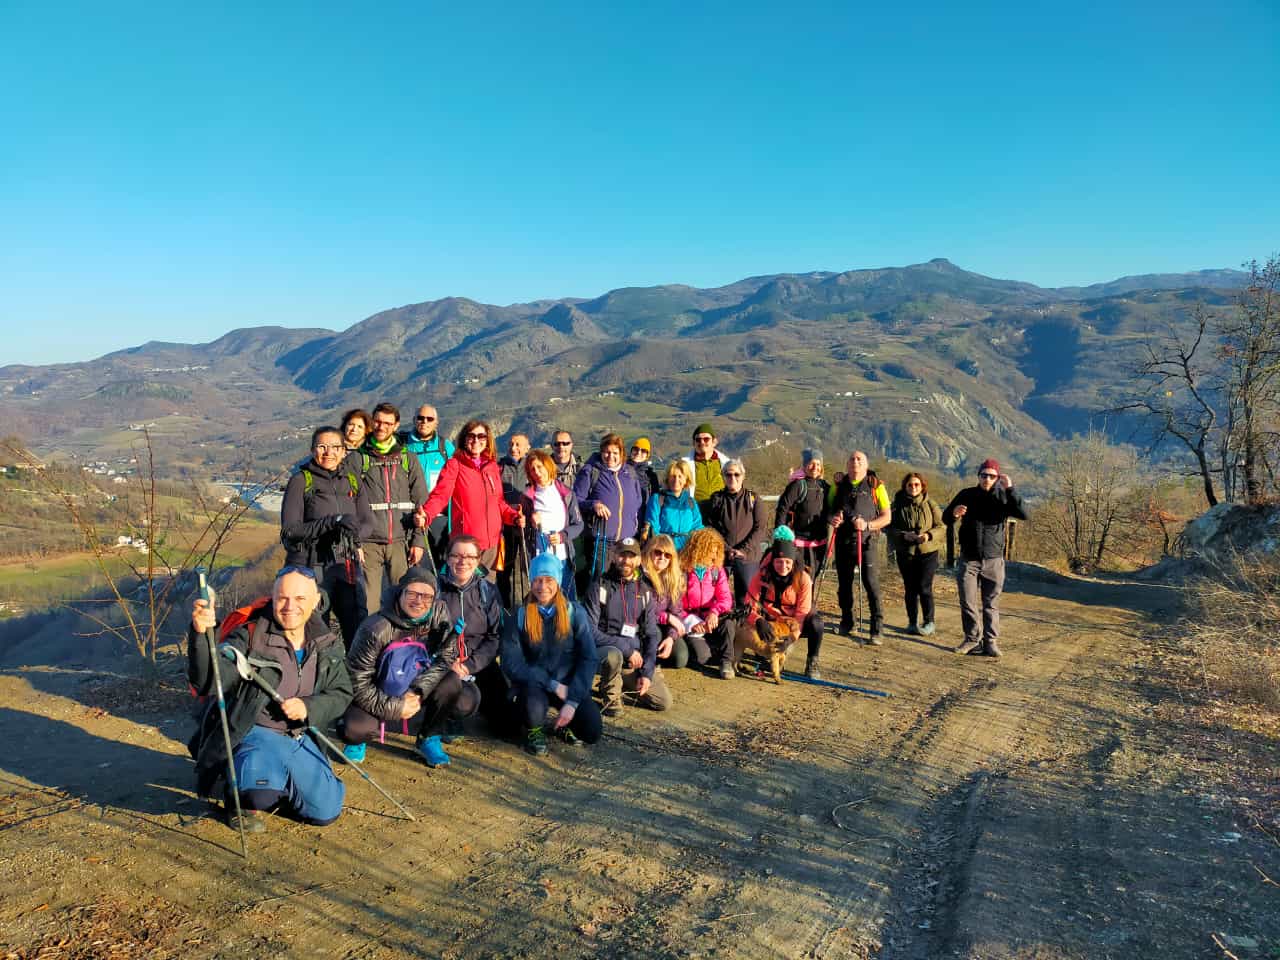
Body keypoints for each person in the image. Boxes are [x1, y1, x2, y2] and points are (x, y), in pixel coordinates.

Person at [187, 567, 353, 832]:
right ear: (273, 598)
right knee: (258, 791)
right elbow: (209, 681)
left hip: (300, 735)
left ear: (315, 601)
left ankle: (278, 785)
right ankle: (239, 797)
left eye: (299, 599)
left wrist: (308, 707)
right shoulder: (250, 636)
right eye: (282, 598)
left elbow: (343, 692)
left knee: (325, 813)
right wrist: (201, 635)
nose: (290, 606)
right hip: (255, 732)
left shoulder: (325, 641)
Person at [339, 569, 480, 768]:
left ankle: (428, 737)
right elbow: (357, 681)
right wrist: (396, 707)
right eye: (412, 593)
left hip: (417, 682)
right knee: (353, 729)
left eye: (427, 596)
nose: (419, 601)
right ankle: (361, 738)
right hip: (378, 689)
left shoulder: (439, 614)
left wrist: (418, 691)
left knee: (454, 685)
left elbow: (445, 658)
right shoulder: (375, 628)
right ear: (400, 592)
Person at [279, 426, 374, 646]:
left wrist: (355, 534)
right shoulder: (301, 481)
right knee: (313, 629)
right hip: (310, 566)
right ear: (313, 450)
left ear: (344, 452)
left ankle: (353, 678)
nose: (328, 452)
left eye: (335, 447)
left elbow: (368, 522)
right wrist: (333, 521)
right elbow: (290, 531)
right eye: (322, 446)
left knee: (356, 628)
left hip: (345, 564)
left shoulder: (352, 480)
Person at [500, 553, 602, 756]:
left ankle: (564, 725)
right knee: (531, 709)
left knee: (591, 731)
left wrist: (573, 701)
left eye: (549, 580)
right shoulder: (519, 615)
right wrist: (551, 684)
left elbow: (589, 658)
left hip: (567, 686)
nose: (542, 586)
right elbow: (511, 663)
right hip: (534, 684)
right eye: (537, 580)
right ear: (530, 582)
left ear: (558, 581)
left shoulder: (575, 613)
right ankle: (534, 730)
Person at [417, 420, 525, 578]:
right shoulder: (454, 465)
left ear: (487, 440)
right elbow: (440, 496)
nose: (476, 440)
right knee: (466, 591)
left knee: (487, 592)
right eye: (471, 436)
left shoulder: (492, 467)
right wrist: (426, 514)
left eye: (481, 436)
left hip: (491, 546)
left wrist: (513, 517)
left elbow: (499, 502)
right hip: (465, 546)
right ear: (463, 439)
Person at [943, 459, 1027, 658]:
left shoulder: (1004, 498)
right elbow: (946, 518)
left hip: (994, 560)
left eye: (992, 476)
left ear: (997, 478)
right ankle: (972, 639)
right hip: (968, 559)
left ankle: (990, 642)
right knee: (967, 601)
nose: (987, 479)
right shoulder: (966, 494)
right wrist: (954, 514)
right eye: (984, 475)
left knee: (991, 603)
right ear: (978, 476)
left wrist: (1011, 489)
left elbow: (1023, 514)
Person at [584, 537, 671, 715]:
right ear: (614, 557)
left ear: (639, 560)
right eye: (622, 555)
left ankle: (623, 681)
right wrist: (626, 649)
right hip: (607, 653)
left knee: (663, 702)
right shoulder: (599, 586)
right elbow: (589, 631)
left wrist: (647, 672)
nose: (626, 561)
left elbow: (651, 634)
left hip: (634, 660)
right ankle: (610, 691)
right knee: (613, 655)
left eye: (631, 556)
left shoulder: (645, 591)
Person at [355, 403, 428, 613]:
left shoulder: (408, 459)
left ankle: (404, 644)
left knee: (405, 602)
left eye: (388, 423)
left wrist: (418, 541)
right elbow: (348, 503)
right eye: (377, 421)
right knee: (368, 605)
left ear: (396, 426)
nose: (381, 427)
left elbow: (421, 504)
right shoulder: (358, 459)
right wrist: (355, 541)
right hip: (368, 544)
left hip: (401, 542)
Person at [433, 534, 508, 738]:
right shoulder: (434, 590)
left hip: (478, 661)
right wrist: (447, 661)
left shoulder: (488, 591)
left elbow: (495, 637)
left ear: (478, 560)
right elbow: (425, 635)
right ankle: (449, 715)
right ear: (447, 558)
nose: (463, 561)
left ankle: (482, 705)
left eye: (470, 557)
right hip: (444, 663)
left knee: (509, 725)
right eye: (456, 555)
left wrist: (469, 665)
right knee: (461, 703)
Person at [831, 450, 892, 644]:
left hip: (867, 542)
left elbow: (887, 517)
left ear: (866, 465)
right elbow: (828, 511)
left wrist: (868, 525)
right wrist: (833, 518)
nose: (855, 462)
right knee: (844, 585)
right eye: (852, 459)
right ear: (847, 464)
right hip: (843, 541)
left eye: (859, 459)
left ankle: (877, 629)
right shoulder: (838, 485)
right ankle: (847, 622)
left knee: (871, 584)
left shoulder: (876, 486)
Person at [745, 537, 824, 679]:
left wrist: (790, 639)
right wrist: (758, 620)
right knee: (749, 624)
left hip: (794, 624)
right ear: (772, 561)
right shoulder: (761, 576)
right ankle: (764, 653)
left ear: (793, 563)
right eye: (778, 562)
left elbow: (801, 615)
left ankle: (812, 660)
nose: (783, 566)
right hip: (770, 623)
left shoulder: (803, 579)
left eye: (787, 562)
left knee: (817, 623)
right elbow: (748, 605)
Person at [572, 433, 644, 587]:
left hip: (626, 542)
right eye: (607, 452)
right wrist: (594, 504)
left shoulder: (630, 473)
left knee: (625, 583)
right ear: (601, 452)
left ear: (622, 454)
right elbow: (576, 500)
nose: (611, 456)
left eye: (615, 453)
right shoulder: (591, 472)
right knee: (600, 583)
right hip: (601, 541)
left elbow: (638, 501)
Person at [520, 449, 584, 599]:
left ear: (548, 466)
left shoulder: (567, 494)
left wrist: (562, 536)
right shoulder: (527, 496)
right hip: (538, 556)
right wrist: (528, 520)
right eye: (532, 469)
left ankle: (568, 623)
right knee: (542, 597)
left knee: (567, 598)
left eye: (539, 467)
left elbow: (578, 525)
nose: (536, 472)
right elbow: (520, 529)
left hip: (563, 556)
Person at [888, 473, 946, 636]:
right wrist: (902, 535)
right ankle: (912, 622)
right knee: (910, 588)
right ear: (904, 486)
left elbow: (941, 527)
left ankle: (929, 622)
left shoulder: (931, 504)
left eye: (916, 485)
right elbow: (889, 527)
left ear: (922, 486)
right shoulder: (896, 505)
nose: (913, 487)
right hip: (906, 552)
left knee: (924, 587)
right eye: (910, 485)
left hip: (928, 552)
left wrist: (928, 536)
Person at [703, 458, 766, 605]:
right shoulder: (716, 499)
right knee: (715, 595)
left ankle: (744, 625)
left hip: (748, 556)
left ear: (743, 476)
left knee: (745, 598)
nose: (732, 478)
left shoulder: (754, 499)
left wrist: (743, 550)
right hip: (720, 555)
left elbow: (760, 528)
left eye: (736, 474)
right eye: (728, 474)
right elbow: (710, 528)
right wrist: (727, 549)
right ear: (723, 476)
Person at [677, 528, 736, 678]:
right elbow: (673, 603)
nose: (715, 556)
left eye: (717, 552)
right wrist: (689, 621)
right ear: (699, 549)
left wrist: (714, 612)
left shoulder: (717, 571)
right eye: (712, 551)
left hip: (710, 618)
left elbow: (726, 599)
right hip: (689, 621)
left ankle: (726, 662)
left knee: (728, 623)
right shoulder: (681, 570)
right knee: (702, 657)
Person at [400, 404, 454, 569]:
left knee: (441, 560)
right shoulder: (402, 445)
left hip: (440, 515)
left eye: (429, 419)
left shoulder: (445, 447)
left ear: (436, 423)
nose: (424, 422)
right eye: (420, 418)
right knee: (415, 562)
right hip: (410, 513)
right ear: (414, 420)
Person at [774, 449, 833, 580]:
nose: (815, 467)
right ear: (805, 465)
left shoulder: (825, 486)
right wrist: (780, 535)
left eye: (818, 464)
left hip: (819, 543)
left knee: (812, 578)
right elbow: (782, 508)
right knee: (799, 579)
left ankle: (808, 601)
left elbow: (830, 509)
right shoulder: (798, 485)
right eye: (811, 463)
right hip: (798, 543)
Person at [641, 534, 688, 669]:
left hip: (663, 626)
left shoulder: (673, 578)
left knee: (680, 658)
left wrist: (671, 637)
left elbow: (677, 612)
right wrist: (667, 617)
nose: (662, 557)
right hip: (644, 624)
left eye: (667, 555)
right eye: (658, 552)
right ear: (650, 552)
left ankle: (656, 656)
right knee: (655, 634)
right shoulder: (640, 575)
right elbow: (642, 610)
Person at [496, 433, 532, 605]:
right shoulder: (499, 467)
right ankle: (505, 607)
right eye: (511, 444)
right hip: (506, 527)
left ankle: (531, 606)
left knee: (530, 567)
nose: (514, 448)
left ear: (527, 447)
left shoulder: (533, 466)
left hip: (529, 527)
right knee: (504, 568)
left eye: (518, 445)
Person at [643, 459, 703, 550]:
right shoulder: (657, 499)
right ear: (667, 478)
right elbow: (653, 528)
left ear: (686, 480)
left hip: (687, 550)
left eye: (680, 476)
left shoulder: (691, 502)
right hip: (665, 550)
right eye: (673, 476)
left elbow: (697, 527)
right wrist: (663, 549)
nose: (676, 480)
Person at [683, 422, 732, 518]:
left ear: (714, 442)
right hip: (695, 516)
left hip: (721, 514)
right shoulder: (684, 465)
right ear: (694, 443)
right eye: (698, 440)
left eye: (706, 439)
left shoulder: (726, 463)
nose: (702, 442)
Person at [629, 437, 661, 506]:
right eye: (636, 449)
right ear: (631, 450)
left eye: (643, 451)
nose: (638, 452)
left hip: (642, 512)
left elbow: (655, 499)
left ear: (647, 455)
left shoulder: (650, 474)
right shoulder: (621, 468)